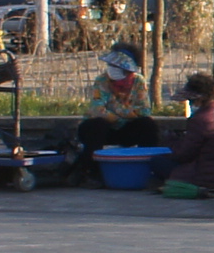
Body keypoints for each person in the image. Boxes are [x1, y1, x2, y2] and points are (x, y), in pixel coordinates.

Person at [66, 44, 160, 182]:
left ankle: (150, 168)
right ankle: (90, 171)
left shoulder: (138, 82)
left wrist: (115, 109)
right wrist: (124, 115)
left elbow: (144, 111)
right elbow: (98, 110)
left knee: (148, 125)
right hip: (103, 130)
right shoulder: (101, 81)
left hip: (125, 130)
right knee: (97, 125)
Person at [161, 71, 214, 197]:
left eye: (191, 100)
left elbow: (183, 155)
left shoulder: (200, 120)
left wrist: (171, 141)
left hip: (206, 176)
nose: (190, 104)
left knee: (158, 162)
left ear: (199, 99)